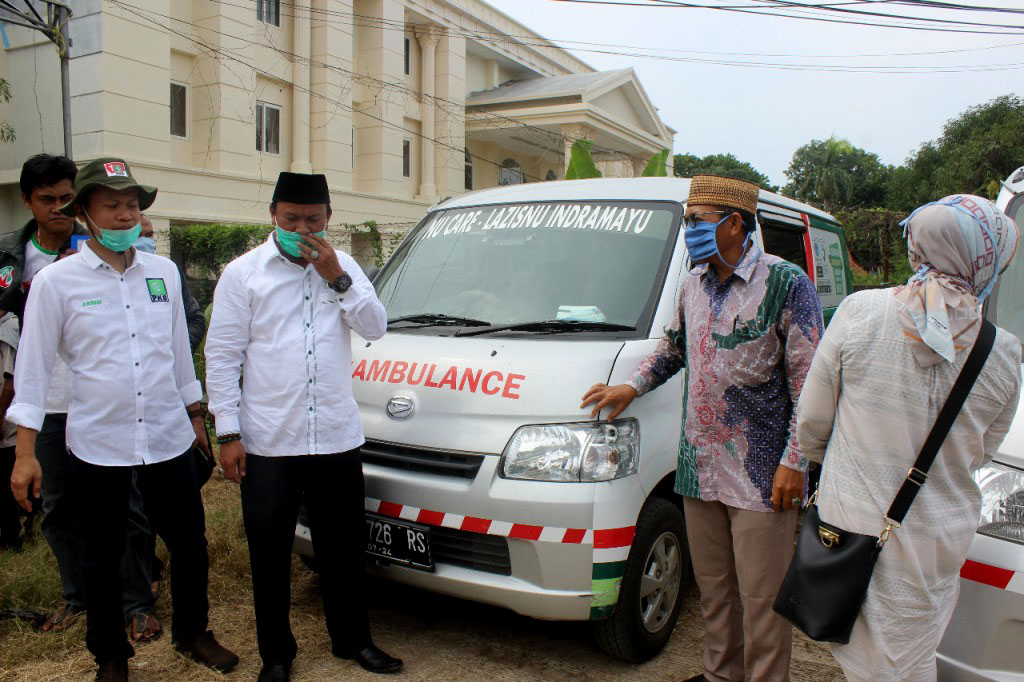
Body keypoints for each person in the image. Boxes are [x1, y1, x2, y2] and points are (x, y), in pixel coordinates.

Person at [581, 175, 823, 682]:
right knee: (715, 591)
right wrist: (632, 387)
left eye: (698, 220)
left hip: (761, 478)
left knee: (761, 600)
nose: (688, 229)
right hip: (699, 467)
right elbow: (673, 348)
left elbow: (811, 385)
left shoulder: (785, 283)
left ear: (736, 224)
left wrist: (794, 463)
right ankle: (720, 675)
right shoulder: (693, 283)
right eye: (688, 220)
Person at [8, 157, 237, 681]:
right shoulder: (55, 283)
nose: (123, 215)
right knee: (102, 552)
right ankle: (109, 654)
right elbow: (34, 373)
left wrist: (197, 424)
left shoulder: (163, 273)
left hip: (168, 435)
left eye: (131, 205)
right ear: (84, 212)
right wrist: (24, 454)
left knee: (188, 540)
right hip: (99, 441)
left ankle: (193, 632)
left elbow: (180, 355)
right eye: (110, 205)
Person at [796, 195, 1021, 682]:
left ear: (918, 245)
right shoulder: (1004, 353)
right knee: (911, 656)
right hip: (935, 543)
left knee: (880, 666)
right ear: (991, 260)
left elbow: (811, 426)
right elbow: (981, 451)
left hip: (851, 531)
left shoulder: (860, 312)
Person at [205, 171, 399, 681]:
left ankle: (353, 641)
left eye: (313, 219)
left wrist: (337, 275)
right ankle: (276, 654)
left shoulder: (345, 266)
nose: (302, 228)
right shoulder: (243, 274)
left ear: (328, 218)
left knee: (343, 546)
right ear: (273, 215)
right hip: (270, 437)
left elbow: (375, 327)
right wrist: (228, 433)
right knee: (269, 549)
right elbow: (222, 356)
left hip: (335, 434)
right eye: (291, 218)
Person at [0, 154, 158, 636]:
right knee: (58, 505)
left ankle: (136, 602)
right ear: (27, 202)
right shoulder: (12, 259)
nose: (59, 208)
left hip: (105, 403)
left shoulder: (128, 255)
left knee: (127, 506)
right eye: (46, 199)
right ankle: (79, 596)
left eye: (67, 198)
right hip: (45, 404)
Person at [0, 311, 19, 550]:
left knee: (6, 483)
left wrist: (0, 415)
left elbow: (9, 383)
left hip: (7, 421)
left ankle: (12, 538)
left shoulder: (9, 326)